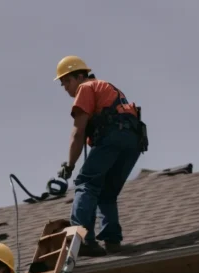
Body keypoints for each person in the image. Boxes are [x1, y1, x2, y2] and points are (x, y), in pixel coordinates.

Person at [54, 55, 146, 258]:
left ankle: (81, 239)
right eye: (63, 84)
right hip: (132, 141)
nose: (66, 88)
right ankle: (112, 241)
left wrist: (69, 165)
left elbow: (78, 132)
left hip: (114, 136)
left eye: (67, 81)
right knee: (106, 192)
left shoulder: (86, 88)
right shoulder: (106, 88)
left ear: (80, 76)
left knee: (85, 183)